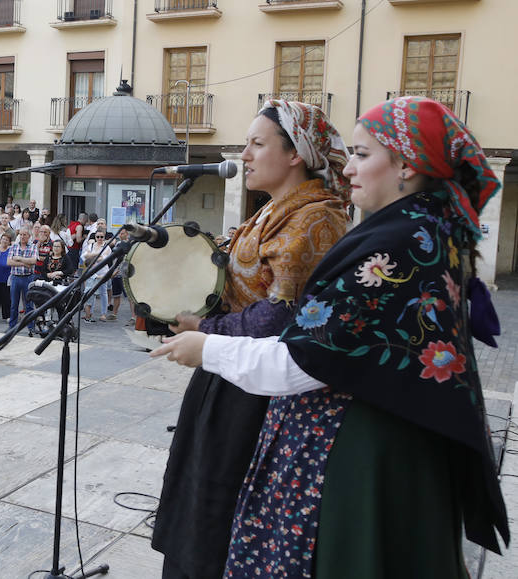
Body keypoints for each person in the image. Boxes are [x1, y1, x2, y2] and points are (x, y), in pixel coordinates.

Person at [152, 96, 510, 576]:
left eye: (363, 155)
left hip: (362, 450)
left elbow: (304, 355)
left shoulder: (395, 246)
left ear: (406, 165)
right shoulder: (418, 230)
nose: (349, 167)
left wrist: (207, 343)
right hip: (376, 434)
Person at [149, 100, 351, 578]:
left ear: (296, 154)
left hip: (258, 390)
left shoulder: (315, 220)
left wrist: (207, 332)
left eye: (257, 144)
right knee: (198, 490)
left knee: (222, 497)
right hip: (227, 371)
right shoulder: (274, 212)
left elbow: (281, 316)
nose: (245, 154)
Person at [7, 226, 38, 329]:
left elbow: (33, 261)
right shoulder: (14, 246)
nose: (22, 236)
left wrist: (19, 259)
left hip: (28, 278)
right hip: (15, 277)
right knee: (13, 304)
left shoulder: (33, 246)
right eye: (20, 234)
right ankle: (12, 327)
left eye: (24, 234)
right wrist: (25, 263)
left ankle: (31, 327)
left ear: (29, 236)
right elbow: (9, 262)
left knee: (29, 304)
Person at [80, 230, 112, 322]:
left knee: (103, 292)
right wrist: (98, 255)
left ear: (104, 237)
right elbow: (84, 256)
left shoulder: (107, 247)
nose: (99, 239)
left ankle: (103, 314)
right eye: (97, 237)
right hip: (92, 272)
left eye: (101, 237)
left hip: (102, 272)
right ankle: (90, 313)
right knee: (91, 293)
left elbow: (105, 258)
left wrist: (92, 256)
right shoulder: (92, 245)